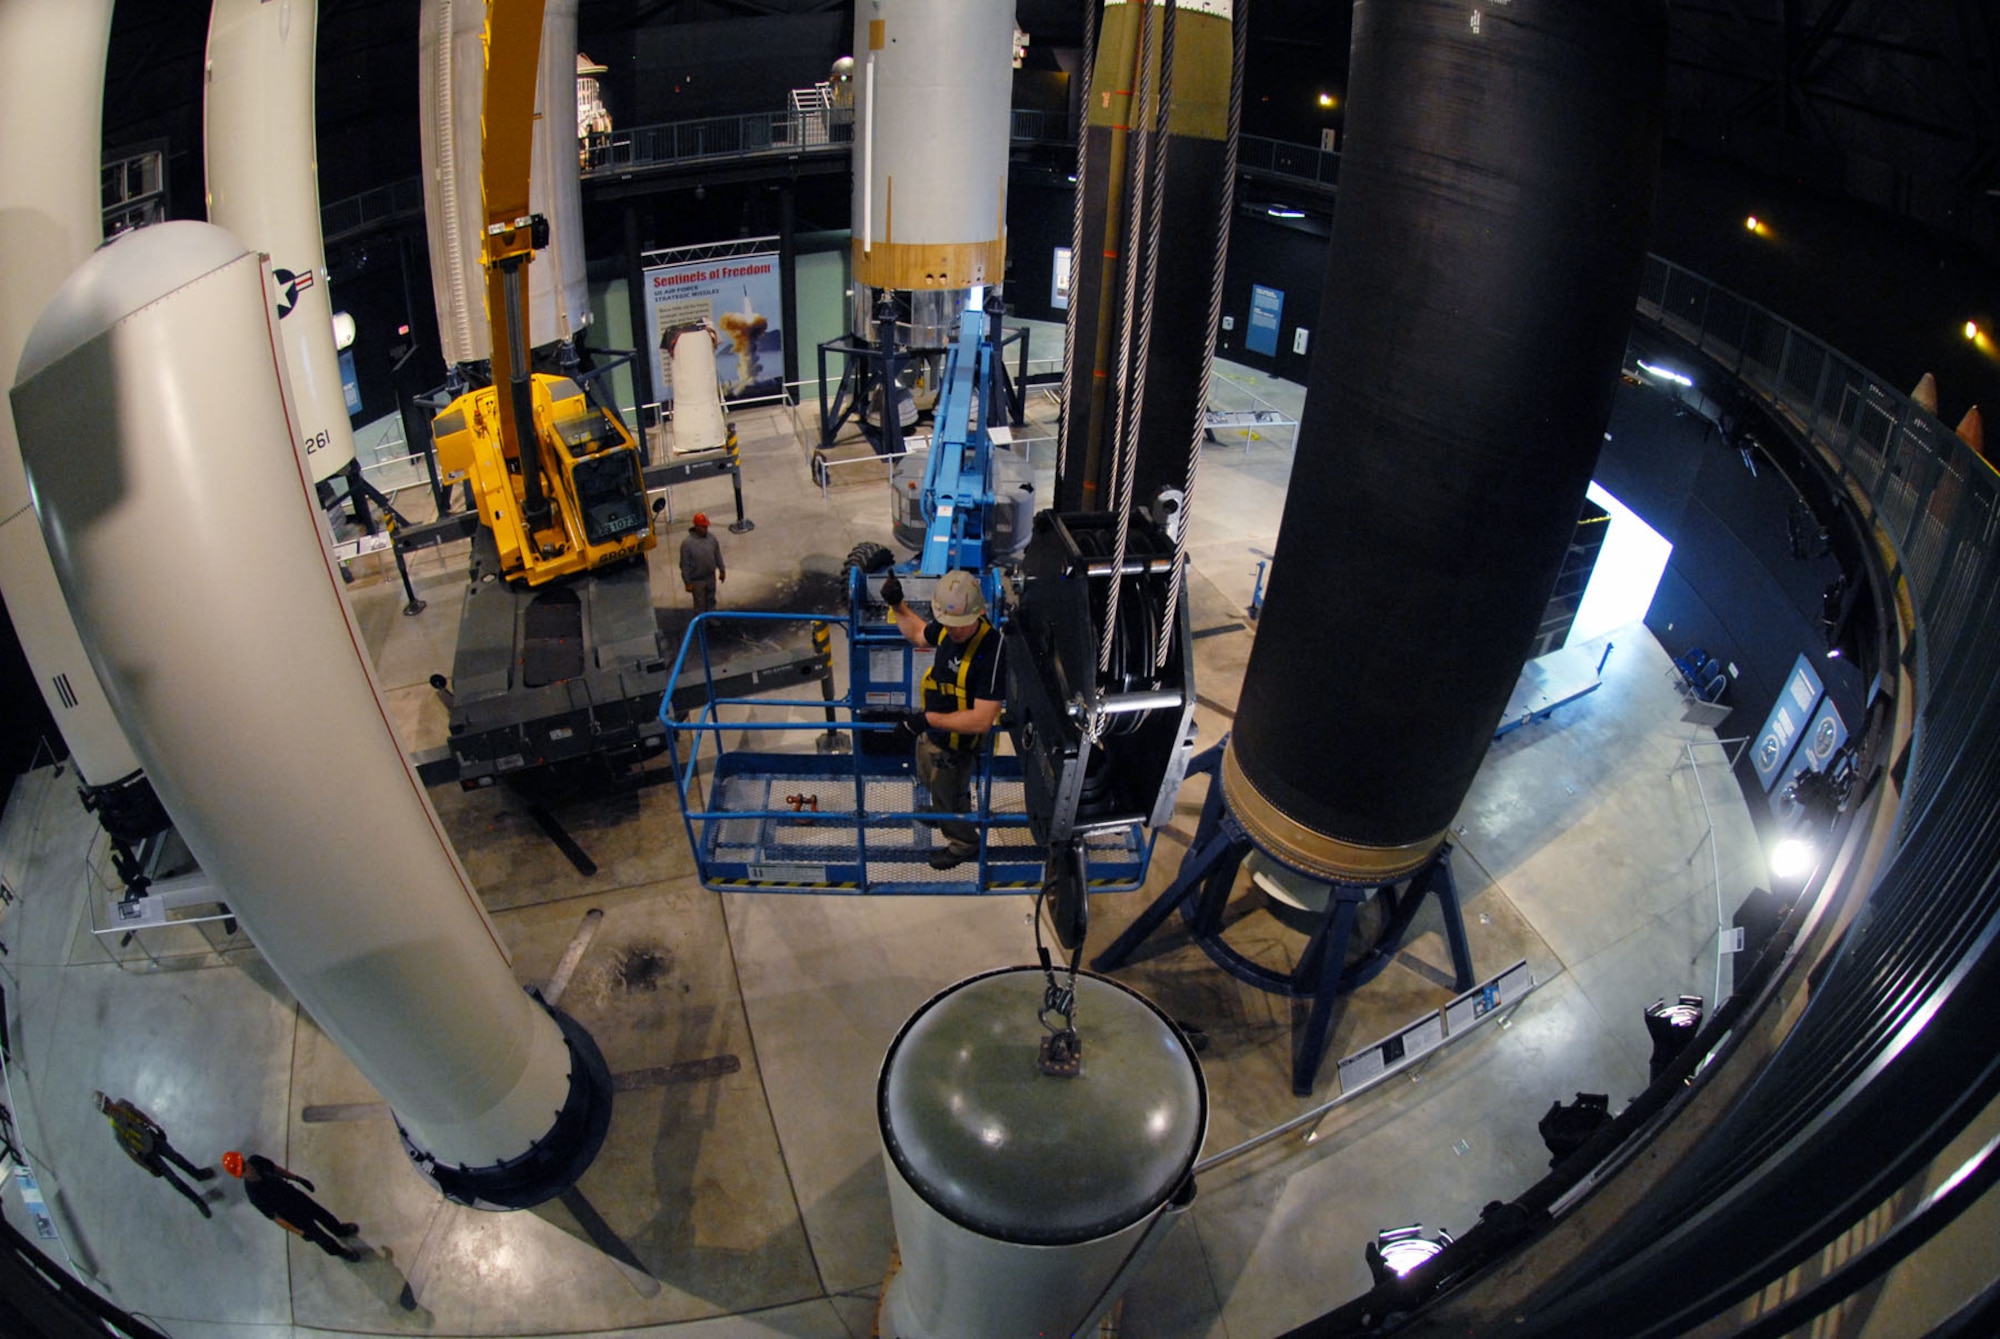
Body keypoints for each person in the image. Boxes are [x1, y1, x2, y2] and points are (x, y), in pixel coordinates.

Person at [881, 568, 1005, 870]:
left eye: (960, 626)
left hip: (956, 746)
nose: (953, 632)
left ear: (980, 612)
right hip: (933, 733)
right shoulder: (950, 626)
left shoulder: (992, 650)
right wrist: (898, 606)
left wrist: (928, 720)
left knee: (951, 795)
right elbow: (920, 633)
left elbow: (981, 720)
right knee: (930, 780)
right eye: (948, 624)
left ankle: (964, 842)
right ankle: (940, 808)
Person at [93, 1091, 215, 1217]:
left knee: (177, 1158)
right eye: (105, 1107)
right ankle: (198, 1201)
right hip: (147, 1154)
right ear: (104, 1113)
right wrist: (148, 1167)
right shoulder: (117, 1131)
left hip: (153, 1138)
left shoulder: (124, 1105)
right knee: (174, 1180)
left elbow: (140, 1115)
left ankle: (198, 1174)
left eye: (107, 1101)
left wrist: (155, 1126)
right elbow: (131, 1153)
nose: (109, 1106)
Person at [224, 1150, 363, 1261]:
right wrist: (299, 1232)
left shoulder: (256, 1160)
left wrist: (297, 1179)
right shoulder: (254, 1195)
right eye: (242, 1169)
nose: (247, 1167)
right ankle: (341, 1252)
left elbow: (275, 1169)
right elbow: (276, 1218)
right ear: (239, 1176)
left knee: (323, 1215)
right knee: (320, 1238)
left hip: (295, 1196)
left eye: (244, 1163)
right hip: (290, 1214)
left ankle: (339, 1230)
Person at [679, 511, 726, 612]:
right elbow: (684, 565)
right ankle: (702, 625)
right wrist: (687, 582)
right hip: (697, 580)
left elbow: (717, 554)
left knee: (711, 600)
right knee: (700, 604)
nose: (706, 529)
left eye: (706, 527)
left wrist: (722, 570)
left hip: (710, 577)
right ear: (696, 527)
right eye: (703, 527)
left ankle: (712, 619)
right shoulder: (687, 544)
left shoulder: (711, 539)